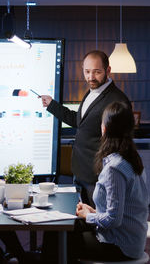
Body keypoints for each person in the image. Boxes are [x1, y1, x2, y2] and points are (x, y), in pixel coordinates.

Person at [42, 101, 149, 264]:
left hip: (120, 246)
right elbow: (119, 209)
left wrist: (89, 216)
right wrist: (92, 211)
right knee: (58, 231)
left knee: (57, 239)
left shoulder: (115, 167)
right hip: (131, 241)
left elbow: (114, 220)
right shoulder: (132, 159)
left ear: (104, 128)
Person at [41, 50, 131, 207]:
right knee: (79, 223)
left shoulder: (118, 101)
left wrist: (106, 174)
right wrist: (52, 105)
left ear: (108, 70)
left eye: (97, 72)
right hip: (80, 171)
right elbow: (80, 122)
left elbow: (121, 144)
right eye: (87, 72)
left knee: (96, 224)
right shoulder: (91, 92)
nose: (91, 77)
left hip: (97, 176)